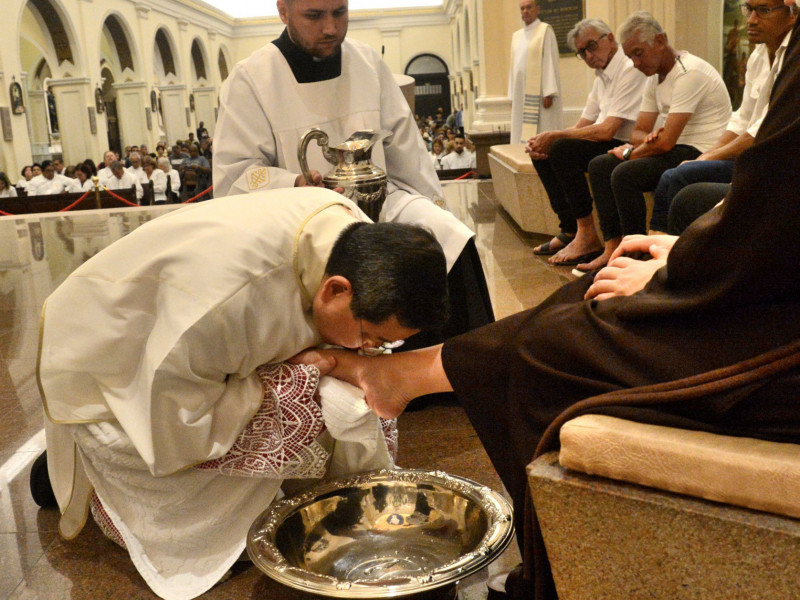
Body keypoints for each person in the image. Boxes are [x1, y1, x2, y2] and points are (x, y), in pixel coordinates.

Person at [291, 11, 800, 599]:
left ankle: (550, 580)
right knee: (594, 286)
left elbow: (775, 206)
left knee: (548, 350)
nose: (329, 25)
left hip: (780, 330)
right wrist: (687, 253)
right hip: (771, 279)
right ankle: (411, 373)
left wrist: (685, 266)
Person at [36, 187, 449, 600]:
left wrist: (336, 360)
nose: (369, 352)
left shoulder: (353, 238)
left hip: (191, 350)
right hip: (114, 368)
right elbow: (176, 426)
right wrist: (284, 377)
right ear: (335, 290)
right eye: (369, 337)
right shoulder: (219, 307)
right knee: (301, 393)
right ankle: (91, 491)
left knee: (330, 385)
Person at [213, 0, 494, 351]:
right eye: (314, 16)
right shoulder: (251, 78)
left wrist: (430, 208)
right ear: (283, 11)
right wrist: (293, 184)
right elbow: (237, 173)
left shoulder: (368, 63)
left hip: (379, 199)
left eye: (339, 12)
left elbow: (405, 149)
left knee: (448, 237)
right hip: (301, 220)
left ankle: (459, 368)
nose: (330, 28)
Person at [581, 11, 731, 272]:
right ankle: (612, 245)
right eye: (630, 57)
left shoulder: (689, 71)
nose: (636, 63)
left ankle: (636, 253)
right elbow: (638, 132)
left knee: (624, 173)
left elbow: (664, 143)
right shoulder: (653, 78)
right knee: (600, 165)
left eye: (639, 53)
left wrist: (632, 152)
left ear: (660, 41)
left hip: (701, 150)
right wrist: (642, 141)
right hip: (677, 146)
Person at [649, 0, 795, 233]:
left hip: (772, 166)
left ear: (792, 15)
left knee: (682, 184)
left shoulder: (793, 59)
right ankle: (651, 250)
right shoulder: (758, 56)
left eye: (764, 10)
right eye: (749, 9)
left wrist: (711, 156)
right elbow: (743, 117)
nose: (751, 19)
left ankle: (670, 258)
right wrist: (709, 155)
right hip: (748, 157)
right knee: (671, 175)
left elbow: (763, 128)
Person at [527, 18, 648, 265]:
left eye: (592, 46)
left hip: (623, 142)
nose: (589, 55)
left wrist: (556, 137)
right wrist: (544, 140)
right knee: (547, 151)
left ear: (610, 38)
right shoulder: (600, 77)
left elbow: (607, 130)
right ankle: (570, 229)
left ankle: (588, 235)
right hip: (607, 138)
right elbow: (583, 124)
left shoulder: (629, 68)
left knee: (561, 148)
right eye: (582, 52)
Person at [508, 0, 562, 144]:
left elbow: (550, 60)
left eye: (529, 7)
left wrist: (549, 91)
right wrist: (512, 95)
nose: (525, 11)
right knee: (520, 130)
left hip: (540, 95)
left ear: (537, 9)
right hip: (520, 93)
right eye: (522, 8)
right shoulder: (516, 36)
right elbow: (513, 68)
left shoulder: (545, 30)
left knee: (542, 129)